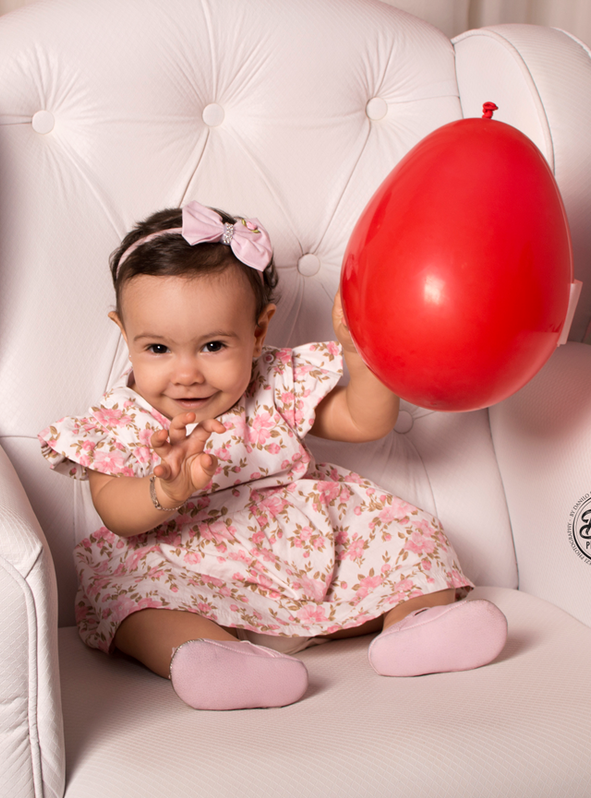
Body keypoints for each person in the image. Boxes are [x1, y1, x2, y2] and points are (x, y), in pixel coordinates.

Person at [38, 201, 507, 711]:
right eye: (158, 349)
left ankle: (417, 627)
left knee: (407, 534)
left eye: (213, 346)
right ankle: (214, 659)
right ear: (124, 333)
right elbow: (115, 512)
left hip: (308, 552)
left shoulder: (274, 385)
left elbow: (363, 420)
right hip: (188, 569)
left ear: (259, 330)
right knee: (129, 596)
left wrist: (361, 353)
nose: (187, 373)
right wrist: (166, 490)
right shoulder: (121, 420)